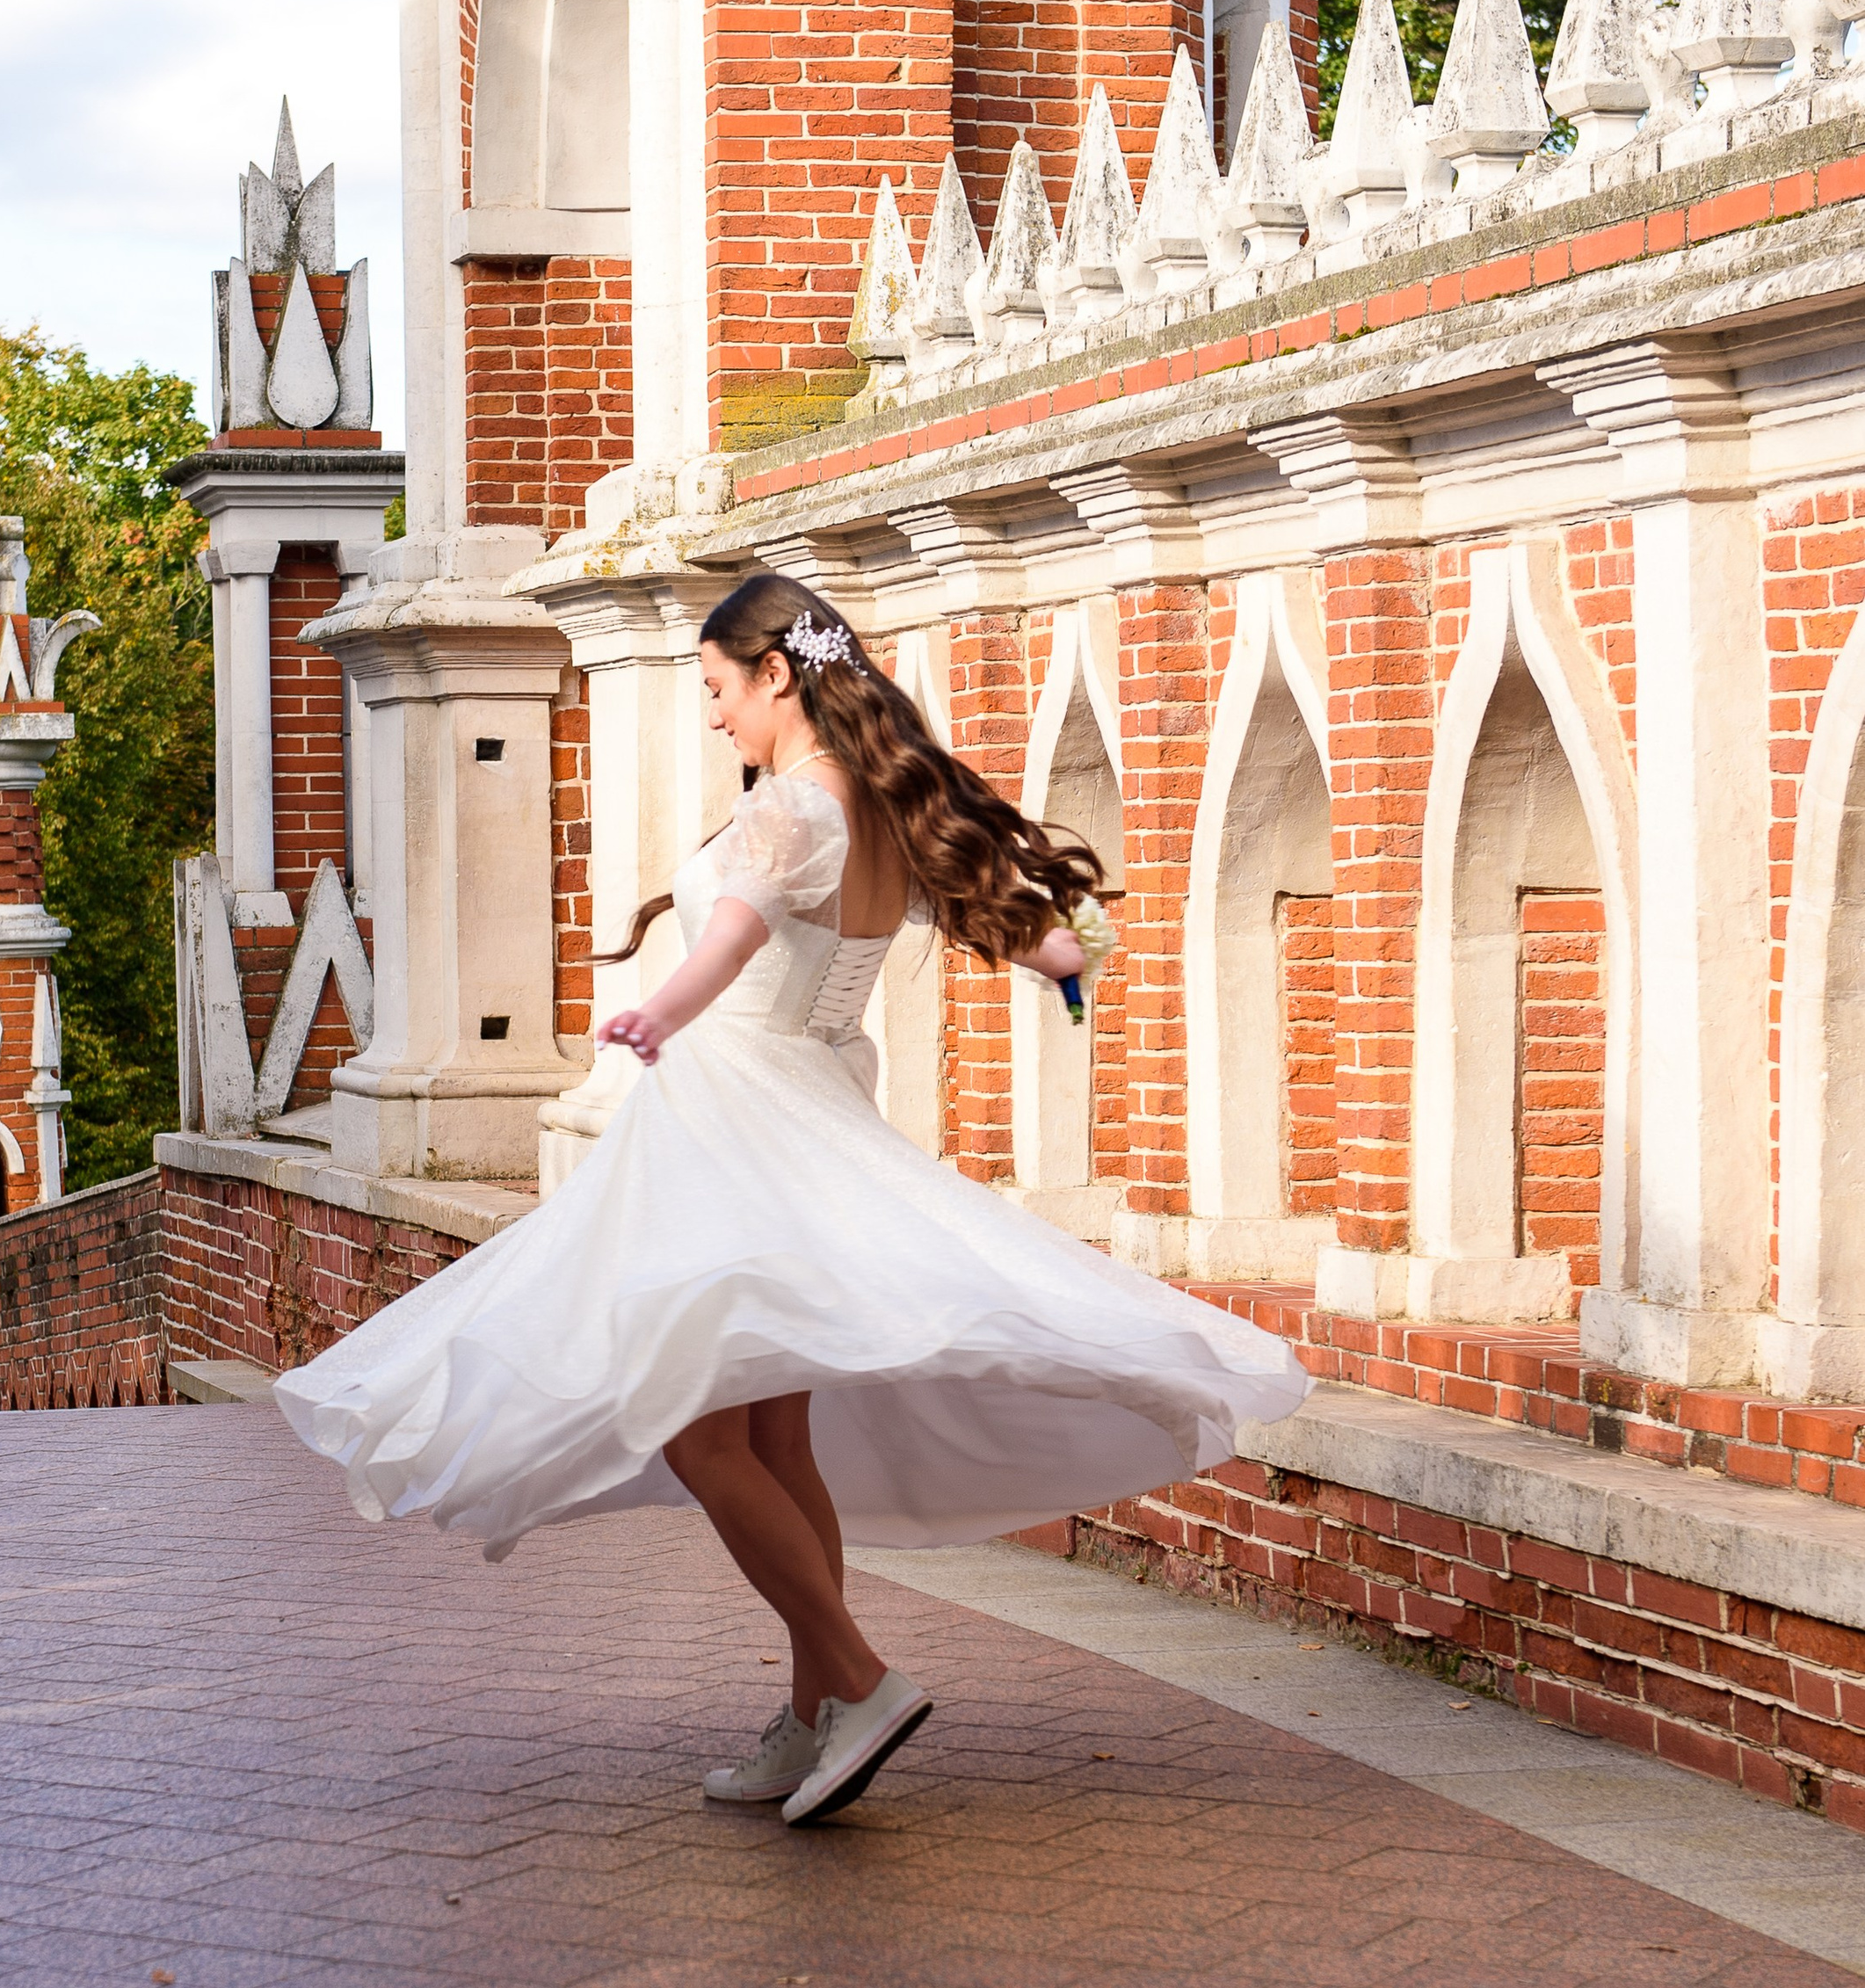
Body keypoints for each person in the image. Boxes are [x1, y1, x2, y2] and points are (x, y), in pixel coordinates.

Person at [279, 573, 1304, 1825]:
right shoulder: (885, 812)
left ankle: (861, 1678)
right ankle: (821, 1698)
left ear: (776, 675)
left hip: (736, 1119)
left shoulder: (792, 813)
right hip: (805, 1110)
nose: (713, 716)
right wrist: (1069, 952)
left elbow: (731, 940)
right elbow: (1027, 934)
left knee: (698, 1429)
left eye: (717, 688)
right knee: (769, 1438)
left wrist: (656, 1012)